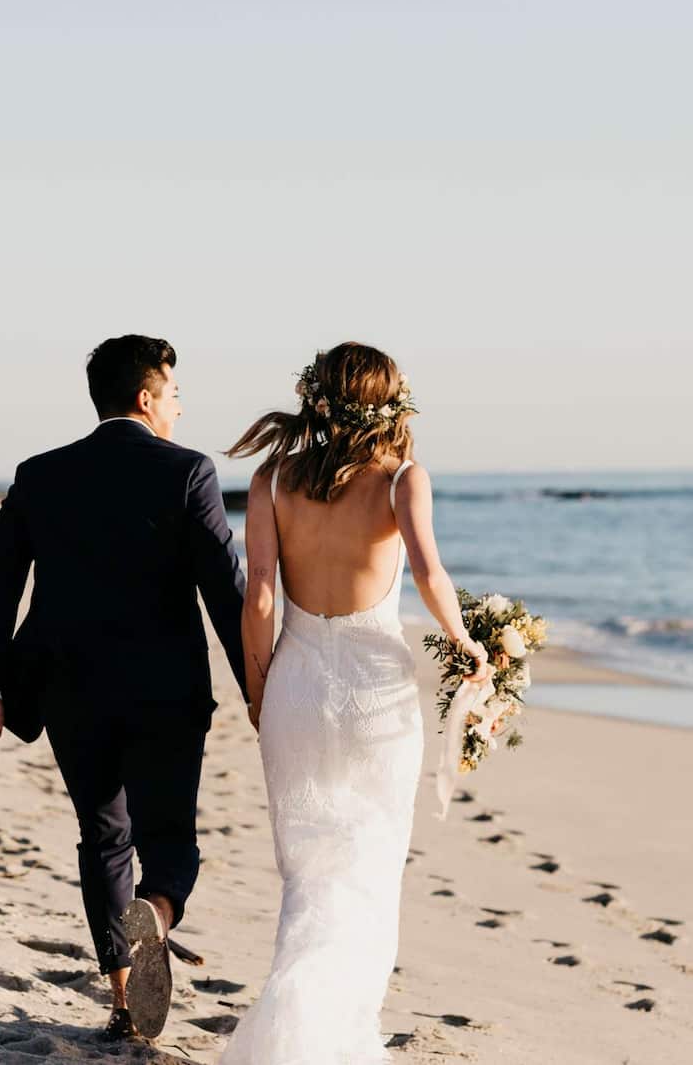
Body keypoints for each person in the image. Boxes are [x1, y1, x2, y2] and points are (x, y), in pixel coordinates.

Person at [0, 334, 247, 1041]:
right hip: (165, 693)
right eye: (174, 393)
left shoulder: (41, 473)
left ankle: (122, 997)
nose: (179, 407)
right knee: (170, 838)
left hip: (68, 690)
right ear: (147, 398)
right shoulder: (187, 472)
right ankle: (158, 910)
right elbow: (226, 591)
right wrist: (260, 686)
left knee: (102, 836)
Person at [217, 342, 490, 1063]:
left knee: (308, 872)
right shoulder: (402, 479)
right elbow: (430, 572)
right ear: (390, 403)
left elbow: (262, 594)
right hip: (376, 694)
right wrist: (466, 640)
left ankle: (294, 1030)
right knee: (370, 866)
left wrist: (257, 686)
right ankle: (337, 1039)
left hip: (297, 687)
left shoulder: (273, 478)